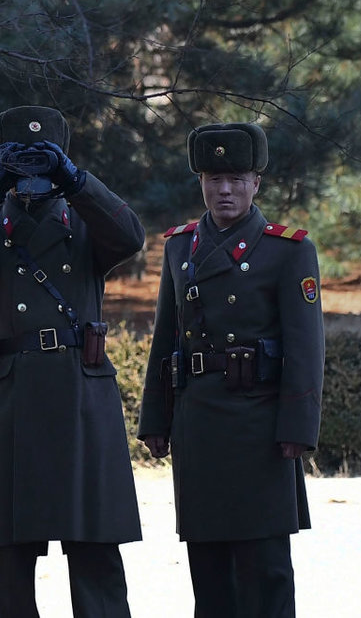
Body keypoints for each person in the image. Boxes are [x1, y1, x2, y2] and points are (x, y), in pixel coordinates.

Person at [0, 105, 145, 617]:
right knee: (9, 557)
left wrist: (74, 179)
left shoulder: (84, 220)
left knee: (94, 548)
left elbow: (131, 237)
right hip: (15, 394)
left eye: (42, 157)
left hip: (79, 393)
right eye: (19, 159)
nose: (32, 171)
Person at [138, 122, 325, 617]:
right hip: (198, 423)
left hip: (259, 426)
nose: (225, 189)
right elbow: (166, 336)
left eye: (236, 179)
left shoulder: (288, 250)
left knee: (265, 569)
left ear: (255, 183)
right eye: (214, 178)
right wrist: (155, 419)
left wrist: (298, 429)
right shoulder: (180, 247)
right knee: (208, 567)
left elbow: (306, 348)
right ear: (200, 181)